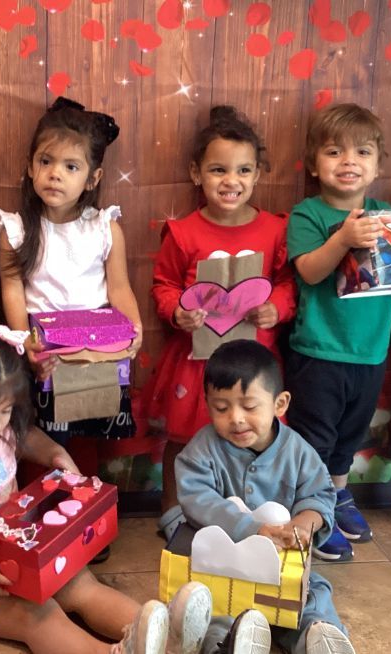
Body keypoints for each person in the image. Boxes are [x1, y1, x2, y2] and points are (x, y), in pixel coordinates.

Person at [0, 319, 212, 654]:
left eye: (5, 411)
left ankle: (168, 638)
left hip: (16, 549)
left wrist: (55, 454)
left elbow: (24, 435)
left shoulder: (0, 428)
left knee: (81, 584)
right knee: (38, 615)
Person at [285, 103, 391, 562]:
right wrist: (343, 238)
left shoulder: (388, 214)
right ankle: (311, 512)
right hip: (319, 350)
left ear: (378, 164)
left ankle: (337, 496)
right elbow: (311, 272)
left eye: (362, 152)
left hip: (371, 352)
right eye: (334, 151)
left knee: (348, 436)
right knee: (314, 438)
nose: (348, 161)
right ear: (314, 163)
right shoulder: (308, 214)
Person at [145, 105, 297, 544]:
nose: (231, 181)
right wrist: (177, 311)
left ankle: (247, 515)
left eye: (244, 170)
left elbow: (288, 282)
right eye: (218, 170)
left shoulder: (274, 229)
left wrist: (277, 307)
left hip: (255, 357)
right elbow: (164, 284)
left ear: (258, 174)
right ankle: (173, 510)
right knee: (185, 437)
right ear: (197, 173)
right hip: (198, 361)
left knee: (251, 432)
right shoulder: (184, 232)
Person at [175, 340, 355, 654]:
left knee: (314, 594)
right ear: (208, 406)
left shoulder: (297, 450)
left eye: (249, 406)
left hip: (282, 566)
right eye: (221, 407)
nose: (236, 418)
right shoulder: (202, 449)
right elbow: (196, 498)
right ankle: (227, 642)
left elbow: (320, 493)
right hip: (223, 566)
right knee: (210, 603)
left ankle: (317, 636)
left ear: (280, 404)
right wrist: (248, 528)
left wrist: (303, 524)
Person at [0, 97, 143, 457]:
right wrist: (25, 340)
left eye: (71, 166)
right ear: (30, 167)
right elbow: (12, 289)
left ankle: (91, 503)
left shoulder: (104, 227)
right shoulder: (15, 229)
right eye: (45, 162)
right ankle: (47, 504)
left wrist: (134, 328)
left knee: (96, 432)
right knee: (48, 436)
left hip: (97, 346)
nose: (55, 173)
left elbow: (119, 287)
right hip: (44, 347)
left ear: (93, 178)